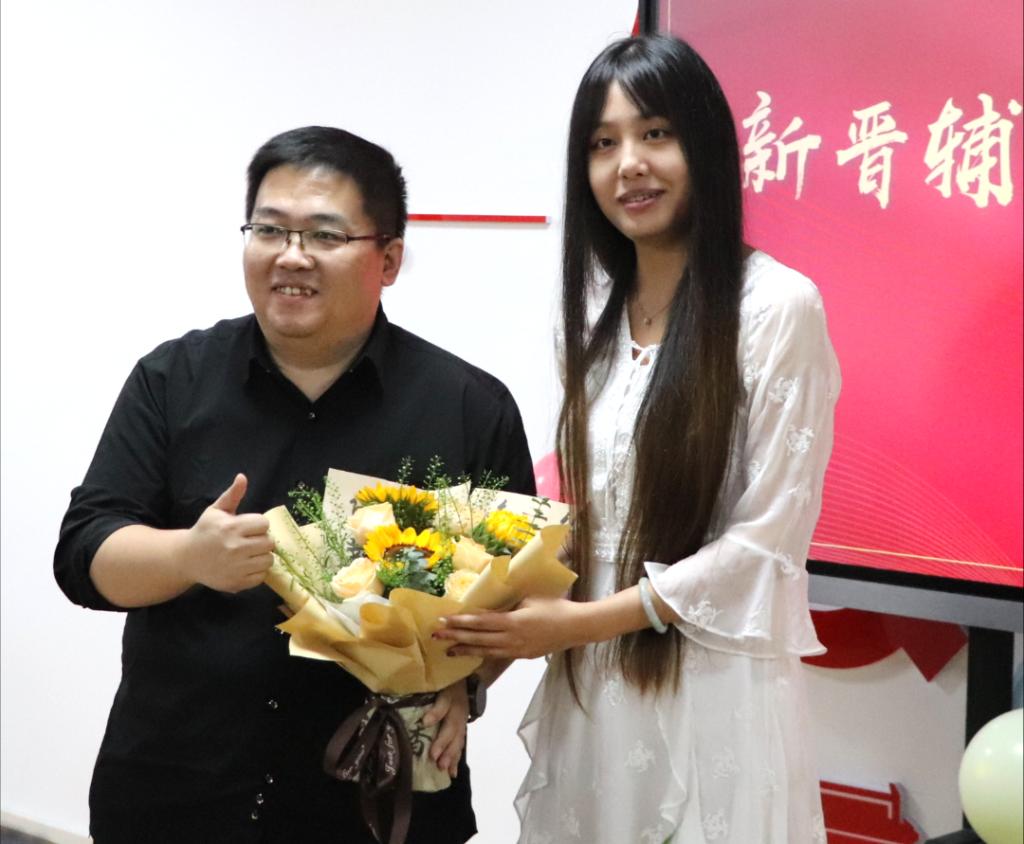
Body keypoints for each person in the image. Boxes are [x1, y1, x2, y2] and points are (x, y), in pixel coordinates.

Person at [54, 125, 535, 844]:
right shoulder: (172, 379)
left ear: (389, 259)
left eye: (325, 235)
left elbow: (518, 592)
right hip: (177, 795)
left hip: (373, 806)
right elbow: (83, 557)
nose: (291, 255)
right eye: (269, 229)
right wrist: (190, 557)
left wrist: (463, 681)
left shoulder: (468, 406)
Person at [437, 35, 840, 843]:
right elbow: (583, 517)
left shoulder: (776, 307)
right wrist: (472, 651)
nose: (629, 164)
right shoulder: (586, 316)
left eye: (655, 133)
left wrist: (578, 626)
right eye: (603, 143)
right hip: (594, 694)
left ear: (706, 147)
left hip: (713, 694)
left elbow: (762, 544)